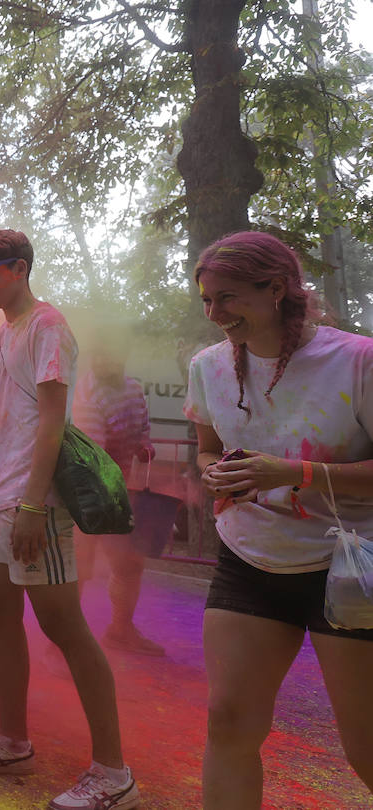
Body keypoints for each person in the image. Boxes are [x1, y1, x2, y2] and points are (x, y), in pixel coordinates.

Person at [0, 228, 138, 810]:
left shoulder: (48, 326)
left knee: (64, 626)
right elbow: (2, 425)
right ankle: (11, 741)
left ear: (20, 269)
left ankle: (113, 772)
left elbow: (53, 421)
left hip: (33, 503)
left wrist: (33, 504)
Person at [184, 231, 373, 807]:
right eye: (208, 301)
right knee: (229, 720)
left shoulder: (356, 359)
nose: (216, 314)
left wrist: (295, 473)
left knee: (365, 747)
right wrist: (214, 471)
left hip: (347, 569)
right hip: (248, 559)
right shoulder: (207, 367)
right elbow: (206, 447)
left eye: (230, 297)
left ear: (278, 289)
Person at [72, 338, 163, 656]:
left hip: (116, 488)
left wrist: (144, 445)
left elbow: (143, 430)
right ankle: (63, 644)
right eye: (98, 353)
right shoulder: (86, 393)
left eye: (109, 353)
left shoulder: (134, 391)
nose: (102, 361)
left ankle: (121, 630)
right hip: (85, 491)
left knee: (129, 564)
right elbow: (94, 456)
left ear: (123, 354)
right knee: (79, 567)